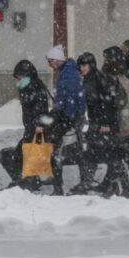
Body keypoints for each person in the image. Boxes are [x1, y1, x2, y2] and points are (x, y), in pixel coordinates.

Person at [74, 52, 129, 196]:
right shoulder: (89, 79)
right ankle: (117, 185)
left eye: (85, 65)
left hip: (105, 124)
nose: (82, 68)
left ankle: (117, 186)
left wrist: (108, 123)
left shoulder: (98, 79)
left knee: (109, 154)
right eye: (80, 66)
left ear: (91, 65)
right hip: (97, 123)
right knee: (98, 154)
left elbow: (108, 103)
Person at [102, 46, 129, 194]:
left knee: (121, 155)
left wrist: (110, 121)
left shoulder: (115, 80)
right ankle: (123, 184)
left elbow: (117, 103)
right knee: (123, 155)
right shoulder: (126, 78)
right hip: (128, 121)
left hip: (122, 123)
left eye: (107, 58)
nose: (105, 61)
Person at [43, 44, 85, 195]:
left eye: (50, 61)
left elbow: (71, 98)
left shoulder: (69, 74)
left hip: (70, 117)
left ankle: (59, 186)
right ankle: (80, 180)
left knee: (56, 149)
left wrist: (66, 118)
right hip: (69, 116)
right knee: (75, 150)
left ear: (57, 60)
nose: (49, 65)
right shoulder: (66, 71)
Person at [7, 59, 52, 190]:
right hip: (31, 127)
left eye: (20, 76)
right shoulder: (27, 87)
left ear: (27, 75)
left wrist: (38, 127)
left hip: (36, 129)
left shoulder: (35, 87)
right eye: (17, 77)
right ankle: (27, 181)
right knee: (21, 155)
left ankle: (28, 182)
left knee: (22, 155)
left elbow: (40, 109)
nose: (18, 79)